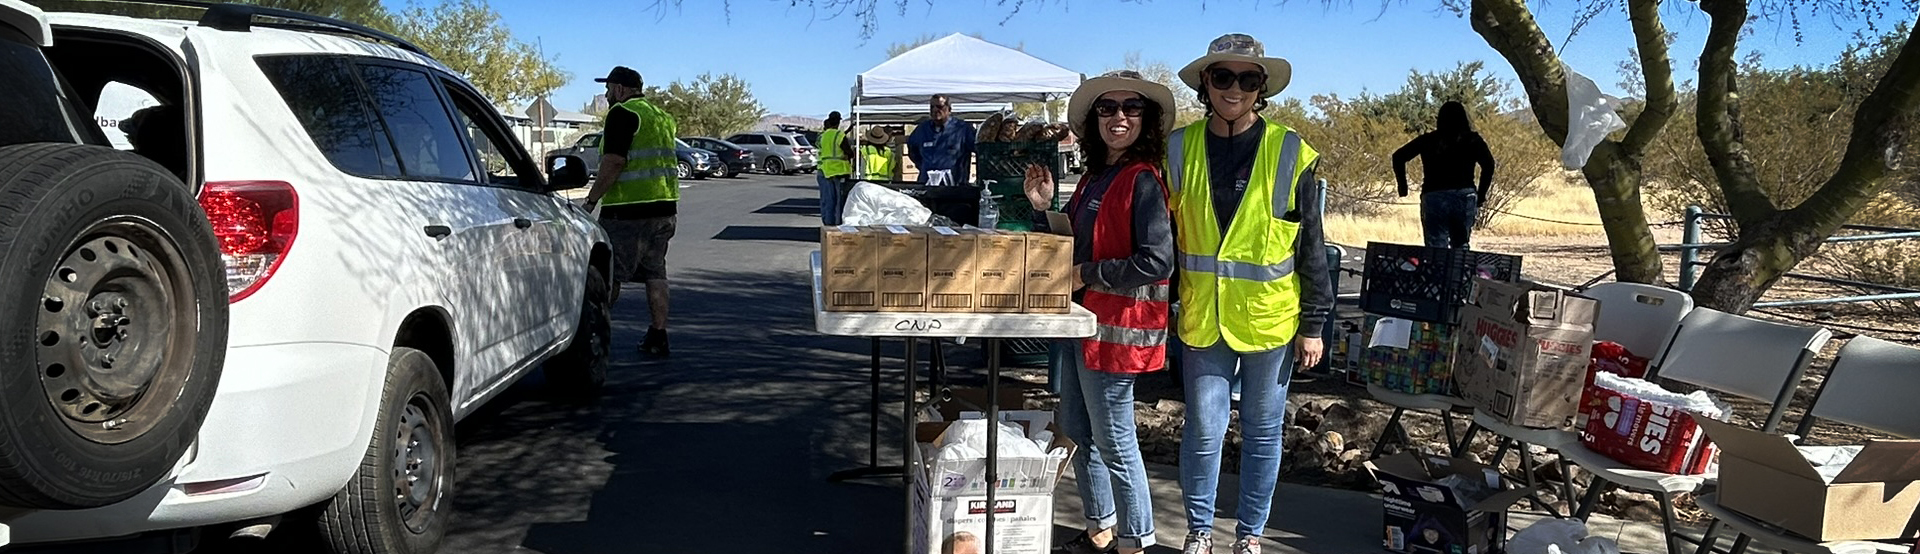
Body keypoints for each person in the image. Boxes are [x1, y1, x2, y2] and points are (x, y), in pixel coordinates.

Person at [1165, 34, 1335, 554]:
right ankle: (1198, 531)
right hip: (1203, 319)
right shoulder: (1178, 148)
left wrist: (1314, 323)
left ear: (1262, 88)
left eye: (1248, 79)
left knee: (1263, 433)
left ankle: (1250, 535)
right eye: (1223, 76)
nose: (1234, 88)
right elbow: (1165, 238)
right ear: (1205, 83)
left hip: (1270, 320)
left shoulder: (1290, 151)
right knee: (1203, 429)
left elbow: (1311, 244)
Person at [1023, 70, 1176, 554]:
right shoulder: (1094, 177)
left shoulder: (1143, 180)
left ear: (1146, 119)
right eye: (1108, 108)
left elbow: (1157, 261)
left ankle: (1137, 540)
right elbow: (1072, 243)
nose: (1119, 117)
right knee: (1077, 433)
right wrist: (1042, 208)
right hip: (1083, 324)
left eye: (1132, 108)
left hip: (1117, 331)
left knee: (1114, 441)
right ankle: (1101, 528)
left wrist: (1087, 274)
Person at [581, 66, 678, 357]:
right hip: (664, 208)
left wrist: (591, 201)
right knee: (655, 272)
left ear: (620, 89)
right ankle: (658, 335)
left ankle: (593, 339)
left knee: (611, 275)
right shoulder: (662, 117)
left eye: (608, 89)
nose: (607, 94)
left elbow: (614, 162)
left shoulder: (622, 113)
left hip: (627, 211)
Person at [1392, 100, 1496, 249]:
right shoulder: (1473, 140)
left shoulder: (1428, 140)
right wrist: (1481, 195)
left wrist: (1403, 187)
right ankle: (1458, 265)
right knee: (1461, 245)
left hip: (1434, 196)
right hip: (1464, 196)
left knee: (1436, 247)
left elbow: (1398, 157)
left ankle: (1439, 265)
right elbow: (1489, 165)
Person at [907, 94, 976, 186]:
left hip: (954, 187)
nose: (935, 110)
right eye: (932, 107)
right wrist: (924, 166)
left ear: (949, 109)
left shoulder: (962, 129)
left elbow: (979, 150)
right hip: (926, 185)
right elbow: (912, 150)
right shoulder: (922, 129)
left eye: (940, 106)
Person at [817, 111, 856, 224]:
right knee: (840, 202)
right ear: (839, 122)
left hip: (826, 170)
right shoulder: (839, 135)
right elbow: (848, 152)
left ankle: (828, 224)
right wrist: (850, 154)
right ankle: (838, 224)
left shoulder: (823, 136)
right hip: (839, 171)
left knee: (828, 200)